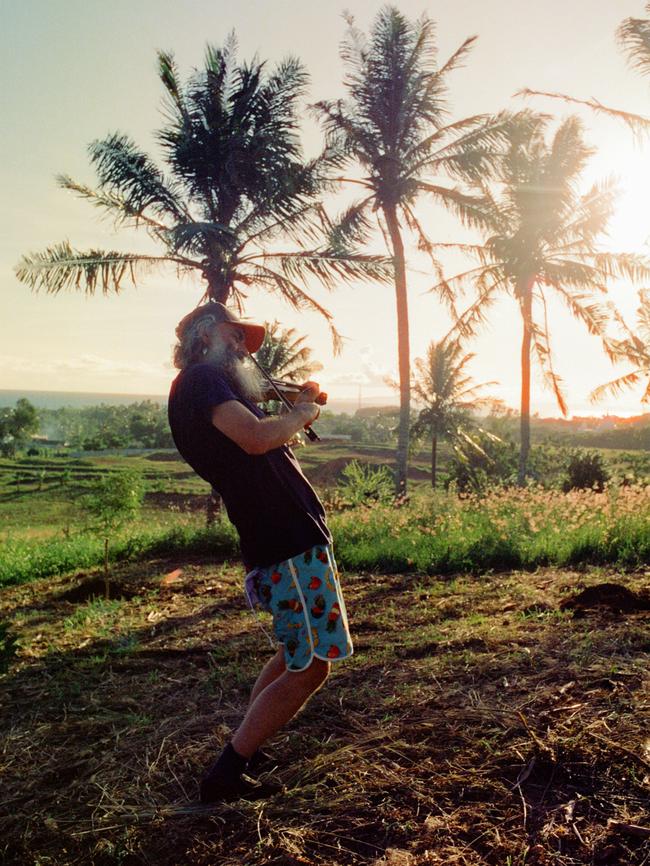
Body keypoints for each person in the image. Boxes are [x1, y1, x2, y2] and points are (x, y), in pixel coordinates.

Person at [167, 302, 354, 803]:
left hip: (285, 537)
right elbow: (255, 438)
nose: (244, 346)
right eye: (235, 335)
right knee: (312, 664)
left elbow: (254, 426)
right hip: (283, 540)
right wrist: (303, 411)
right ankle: (229, 770)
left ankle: (248, 749)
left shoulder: (211, 389)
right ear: (205, 336)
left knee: (293, 652)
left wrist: (293, 403)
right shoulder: (201, 382)